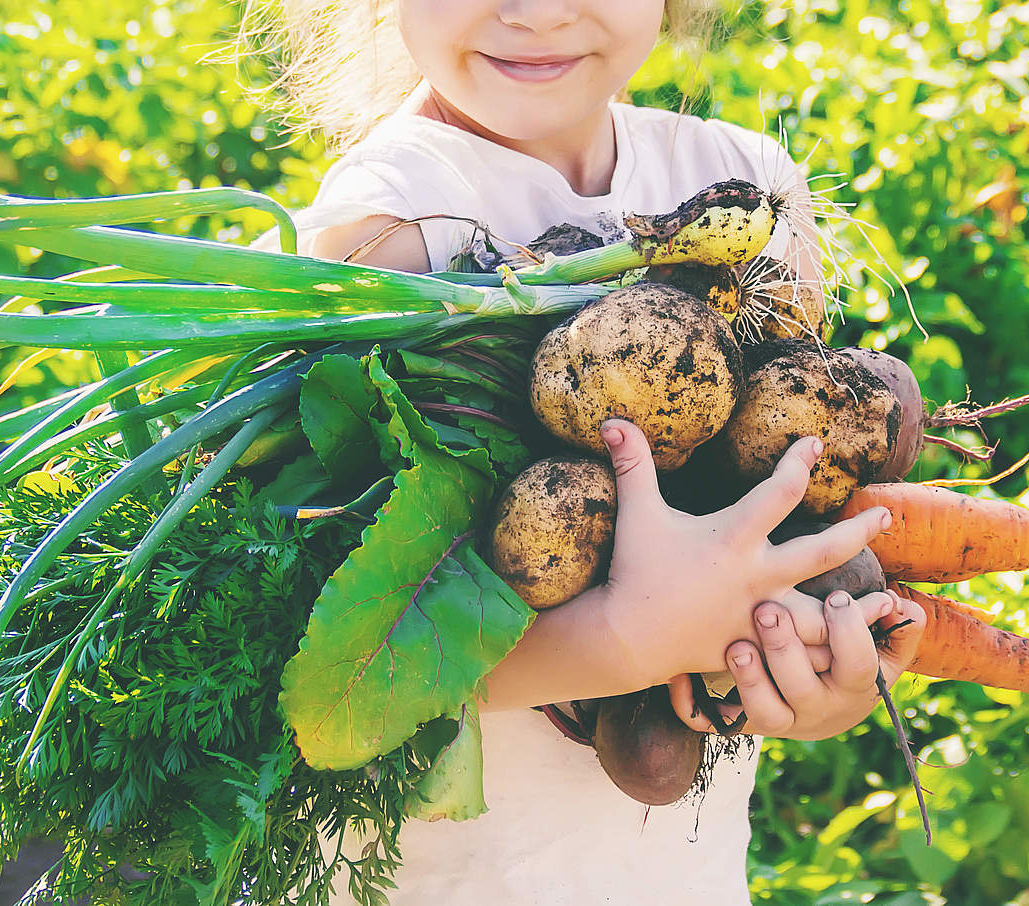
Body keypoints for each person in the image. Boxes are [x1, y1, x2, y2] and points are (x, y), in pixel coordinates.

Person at [247, 1, 928, 902]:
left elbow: (796, 484)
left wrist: (815, 670)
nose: (535, 12)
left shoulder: (745, 185)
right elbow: (337, 658)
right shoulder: (387, 231)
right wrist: (620, 641)